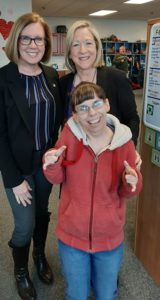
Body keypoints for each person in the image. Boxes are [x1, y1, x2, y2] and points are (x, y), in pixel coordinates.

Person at [43, 82, 142, 300]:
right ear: (76, 115)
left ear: (107, 105)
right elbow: (58, 177)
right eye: (83, 108)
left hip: (109, 237)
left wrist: (131, 181)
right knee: (76, 293)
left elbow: (129, 191)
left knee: (106, 294)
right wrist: (51, 164)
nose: (92, 112)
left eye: (96, 104)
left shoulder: (124, 141)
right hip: (72, 237)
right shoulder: (69, 136)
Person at [0, 12, 63, 300]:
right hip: (18, 167)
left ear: (46, 43)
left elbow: (59, 120)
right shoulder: (3, 79)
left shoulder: (51, 76)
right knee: (24, 224)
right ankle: (21, 270)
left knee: (42, 213)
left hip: (45, 164)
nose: (32, 44)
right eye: (26, 37)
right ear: (16, 41)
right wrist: (13, 180)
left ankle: (39, 256)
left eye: (38, 38)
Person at [60, 20, 140, 149]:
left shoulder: (117, 79)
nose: (82, 50)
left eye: (88, 43)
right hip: (74, 159)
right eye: (75, 45)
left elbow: (132, 119)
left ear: (97, 48)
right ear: (69, 52)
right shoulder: (63, 84)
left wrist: (130, 151)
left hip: (111, 158)